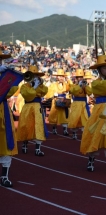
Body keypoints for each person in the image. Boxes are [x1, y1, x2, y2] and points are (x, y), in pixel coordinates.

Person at [17, 65, 48, 156]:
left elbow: (44, 92)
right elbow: (27, 96)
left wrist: (40, 84)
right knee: (26, 125)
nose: (33, 77)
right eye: (32, 75)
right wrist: (34, 88)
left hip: (37, 106)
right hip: (27, 106)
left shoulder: (39, 85)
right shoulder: (24, 86)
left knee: (38, 126)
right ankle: (25, 144)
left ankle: (37, 149)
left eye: (35, 75)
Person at [0, 50, 18, 187]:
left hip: (3, 109)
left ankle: (4, 176)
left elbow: (10, 92)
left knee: (6, 142)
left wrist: (9, 79)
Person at [67, 68, 92, 140]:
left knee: (85, 118)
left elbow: (90, 92)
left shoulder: (85, 85)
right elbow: (73, 92)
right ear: (76, 78)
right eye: (79, 77)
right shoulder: (73, 86)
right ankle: (74, 133)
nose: (80, 79)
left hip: (83, 104)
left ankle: (84, 134)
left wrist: (86, 86)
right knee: (75, 119)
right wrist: (79, 86)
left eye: (81, 77)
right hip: (76, 104)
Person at [48, 68, 70, 136]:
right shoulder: (53, 85)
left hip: (63, 101)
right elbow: (49, 93)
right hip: (55, 101)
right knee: (54, 115)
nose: (61, 78)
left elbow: (72, 89)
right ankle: (54, 129)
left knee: (65, 116)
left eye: (62, 76)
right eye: (60, 76)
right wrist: (53, 94)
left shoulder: (66, 84)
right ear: (57, 77)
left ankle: (65, 130)